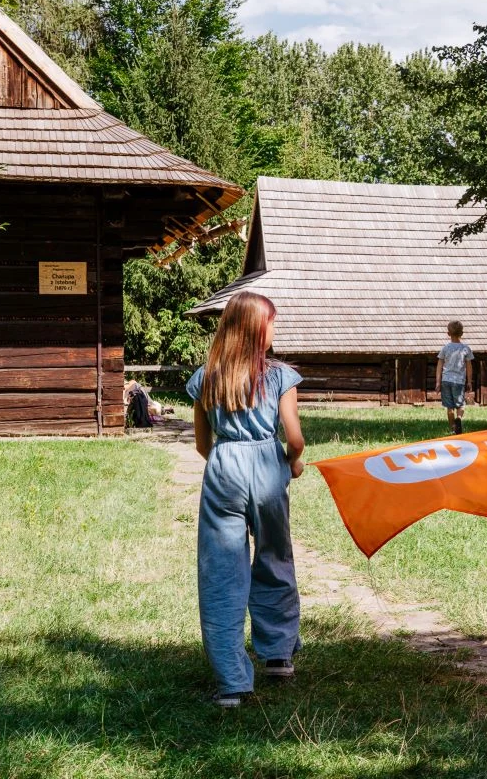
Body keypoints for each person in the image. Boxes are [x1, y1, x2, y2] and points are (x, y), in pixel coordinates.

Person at [186, 291, 305, 708]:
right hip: (268, 469)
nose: (275, 329)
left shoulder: (206, 378)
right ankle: (277, 655)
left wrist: (226, 461)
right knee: (275, 557)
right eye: (272, 322)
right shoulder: (279, 377)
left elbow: (203, 444)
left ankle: (232, 682)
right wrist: (294, 463)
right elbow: (295, 437)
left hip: (223, 468)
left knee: (221, 571)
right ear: (257, 328)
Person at [436, 320, 474, 434]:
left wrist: (438, 382)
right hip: (459, 381)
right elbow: (469, 367)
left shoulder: (445, 348)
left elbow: (439, 365)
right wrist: (469, 382)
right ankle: (459, 419)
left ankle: (453, 428)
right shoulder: (465, 349)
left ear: (448, 334)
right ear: (462, 334)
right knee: (461, 405)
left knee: (449, 407)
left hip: (446, 380)